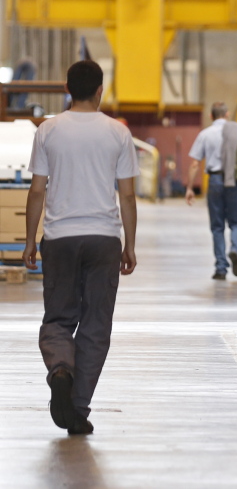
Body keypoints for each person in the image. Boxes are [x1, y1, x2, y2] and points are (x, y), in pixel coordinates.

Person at [22, 59, 139, 436]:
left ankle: (60, 369)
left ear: (67, 89)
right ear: (100, 89)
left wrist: (29, 240)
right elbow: (128, 196)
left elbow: (37, 189)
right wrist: (130, 245)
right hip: (104, 238)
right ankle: (77, 405)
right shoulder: (117, 133)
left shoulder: (49, 130)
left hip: (59, 238)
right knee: (95, 325)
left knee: (59, 318)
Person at [186, 102, 237, 279]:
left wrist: (190, 188)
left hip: (215, 180)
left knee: (217, 227)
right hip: (235, 181)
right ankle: (235, 250)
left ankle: (220, 268)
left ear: (211, 116)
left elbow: (195, 163)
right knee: (236, 223)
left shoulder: (205, 134)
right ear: (227, 114)